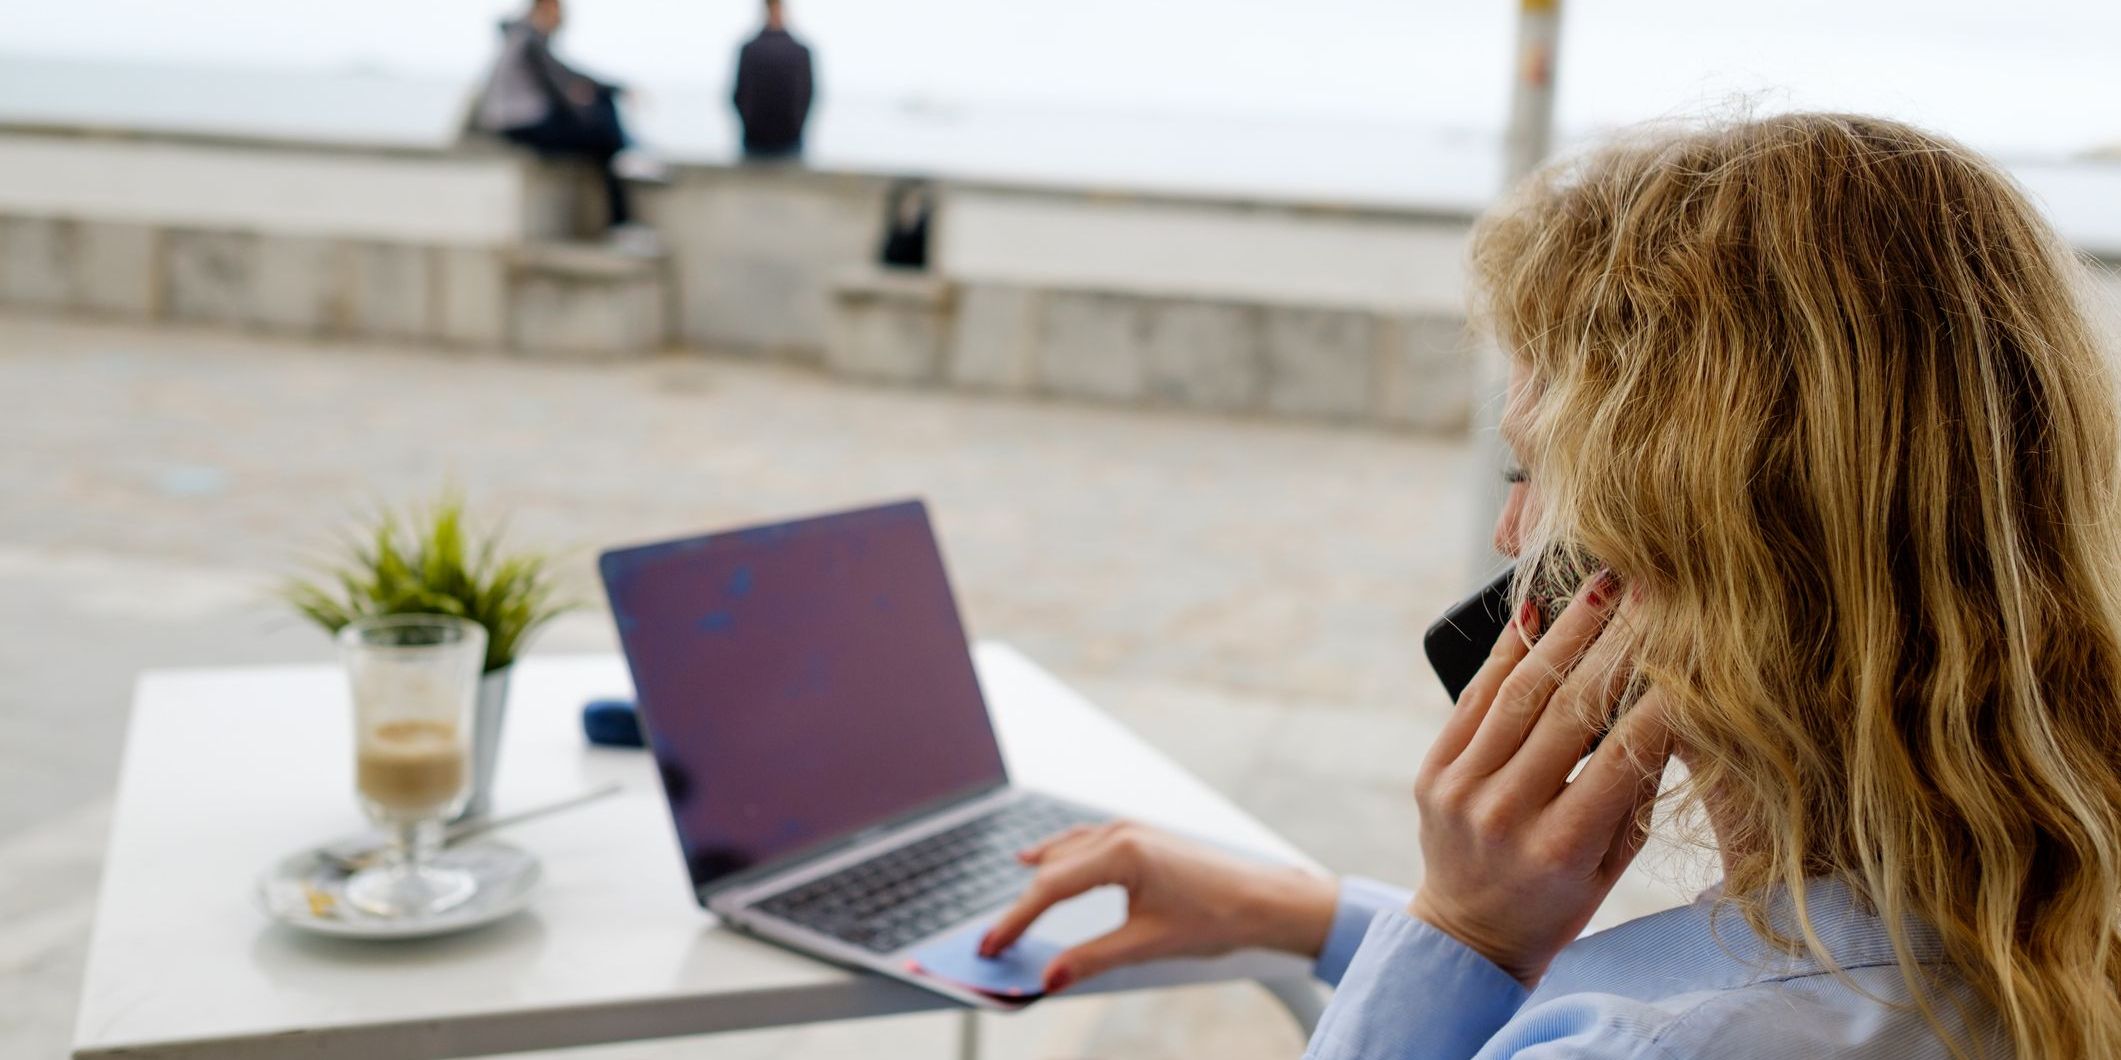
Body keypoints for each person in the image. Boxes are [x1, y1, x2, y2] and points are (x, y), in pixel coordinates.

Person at [982, 113, 2121, 1059]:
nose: (1508, 532)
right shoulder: (2042, 912)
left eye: (1530, 472)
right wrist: (1314, 915)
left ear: (1683, 541)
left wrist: (1461, 930)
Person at [475, 0, 658, 252]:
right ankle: (626, 162)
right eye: (558, 12)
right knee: (603, 129)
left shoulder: (522, 37)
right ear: (545, 7)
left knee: (603, 136)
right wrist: (590, 107)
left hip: (523, 123)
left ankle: (625, 167)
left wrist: (605, 93)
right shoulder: (529, 39)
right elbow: (558, 85)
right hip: (522, 126)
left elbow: (565, 76)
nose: (562, 19)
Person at [732, 0, 814, 160]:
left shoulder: (750, 50)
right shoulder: (799, 52)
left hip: (771, 139)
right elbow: (807, 95)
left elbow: (739, 95)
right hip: (768, 140)